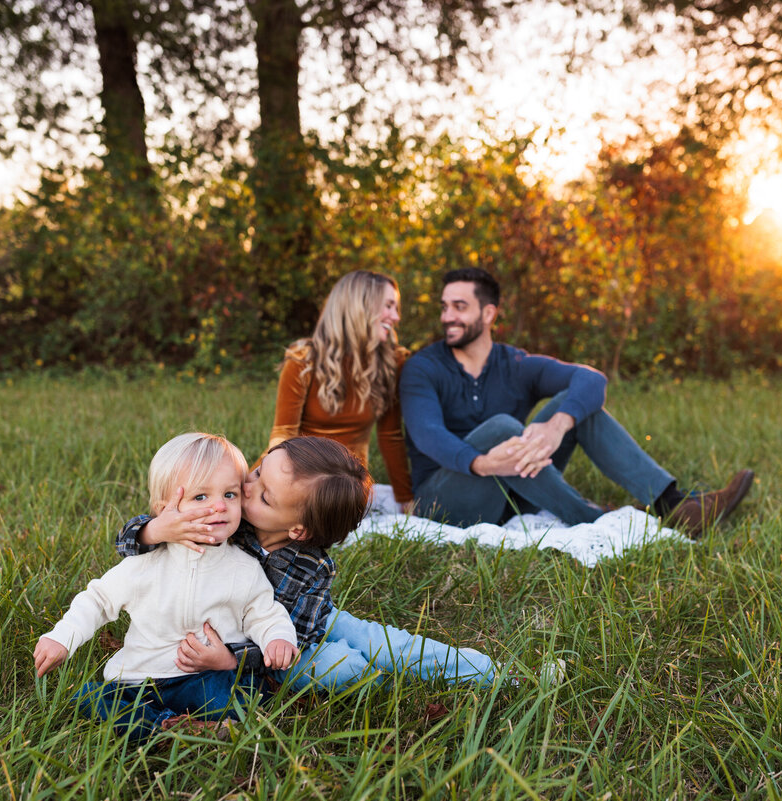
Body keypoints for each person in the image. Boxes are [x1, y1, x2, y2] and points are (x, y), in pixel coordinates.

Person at [114, 435, 497, 695]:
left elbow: (290, 637)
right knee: (348, 667)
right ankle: (368, 673)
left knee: (388, 643)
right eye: (259, 471)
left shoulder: (311, 567)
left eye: (264, 496)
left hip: (294, 636)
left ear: (297, 529)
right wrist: (156, 529)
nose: (245, 488)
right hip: (236, 634)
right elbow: (128, 547)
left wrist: (233, 660)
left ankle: (491, 674)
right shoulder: (222, 520)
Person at [399, 267, 754, 538]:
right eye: (445, 307)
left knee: (577, 405)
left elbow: (591, 378)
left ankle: (672, 504)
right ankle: (599, 521)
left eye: (459, 307)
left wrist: (558, 424)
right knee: (504, 428)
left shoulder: (516, 364)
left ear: (489, 314)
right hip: (444, 502)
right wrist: (481, 463)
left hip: (515, 493)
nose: (447, 317)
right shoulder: (423, 367)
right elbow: (426, 432)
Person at [33, 433, 298, 743]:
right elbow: (98, 600)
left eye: (230, 494)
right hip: (138, 679)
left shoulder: (244, 568)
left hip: (203, 677)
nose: (218, 507)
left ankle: (173, 727)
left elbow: (265, 612)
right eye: (200, 497)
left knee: (247, 694)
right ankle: (167, 726)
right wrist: (61, 638)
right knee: (88, 698)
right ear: (165, 509)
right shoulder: (145, 564)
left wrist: (278, 637)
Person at [267, 270, 412, 511]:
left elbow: (391, 437)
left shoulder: (392, 362)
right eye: (388, 306)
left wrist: (406, 501)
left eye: (396, 308)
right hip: (301, 482)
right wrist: (261, 486)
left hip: (350, 491)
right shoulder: (303, 360)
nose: (396, 316)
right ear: (360, 306)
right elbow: (283, 438)